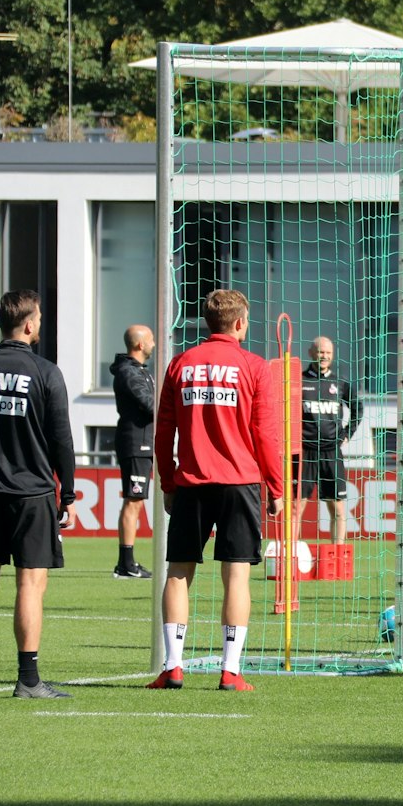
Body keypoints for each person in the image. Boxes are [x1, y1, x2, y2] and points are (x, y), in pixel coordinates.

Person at [149, 289, 285, 692]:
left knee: (178, 573)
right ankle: (230, 670)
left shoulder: (181, 363)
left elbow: (163, 432)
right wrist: (276, 486)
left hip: (191, 482)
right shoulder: (254, 366)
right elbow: (266, 435)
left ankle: (173, 667)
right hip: (239, 483)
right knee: (237, 576)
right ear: (240, 323)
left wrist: (168, 482)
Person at [0, 289, 77, 698]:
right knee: (30, 583)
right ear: (27, 324)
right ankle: (28, 679)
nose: (39, 323)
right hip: (31, 493)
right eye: (37, 317)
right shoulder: (45, 372)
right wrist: (68, 495)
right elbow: (62, 441)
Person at [296, 336, 361, 547]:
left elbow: (358, 408)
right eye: (320, 352)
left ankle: (338, 553)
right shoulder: (299, 381)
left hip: (331, 452)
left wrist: (347, 434)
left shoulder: (340, 382)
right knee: (296, 507)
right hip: (305, 452)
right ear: (311, 353)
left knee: (338, 508)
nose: (324, 356)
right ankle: (292, 553)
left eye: (328, 353)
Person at [110, 324, 156, 580]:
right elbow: (149, 405)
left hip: (143, 442)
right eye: (151, 339)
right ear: (140, 344)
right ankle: (126, 564)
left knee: (136, 500)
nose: (154, 344)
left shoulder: (138, 371)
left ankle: (126, 563)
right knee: (133, 500)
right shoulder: (129, 373)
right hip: (136, 443)